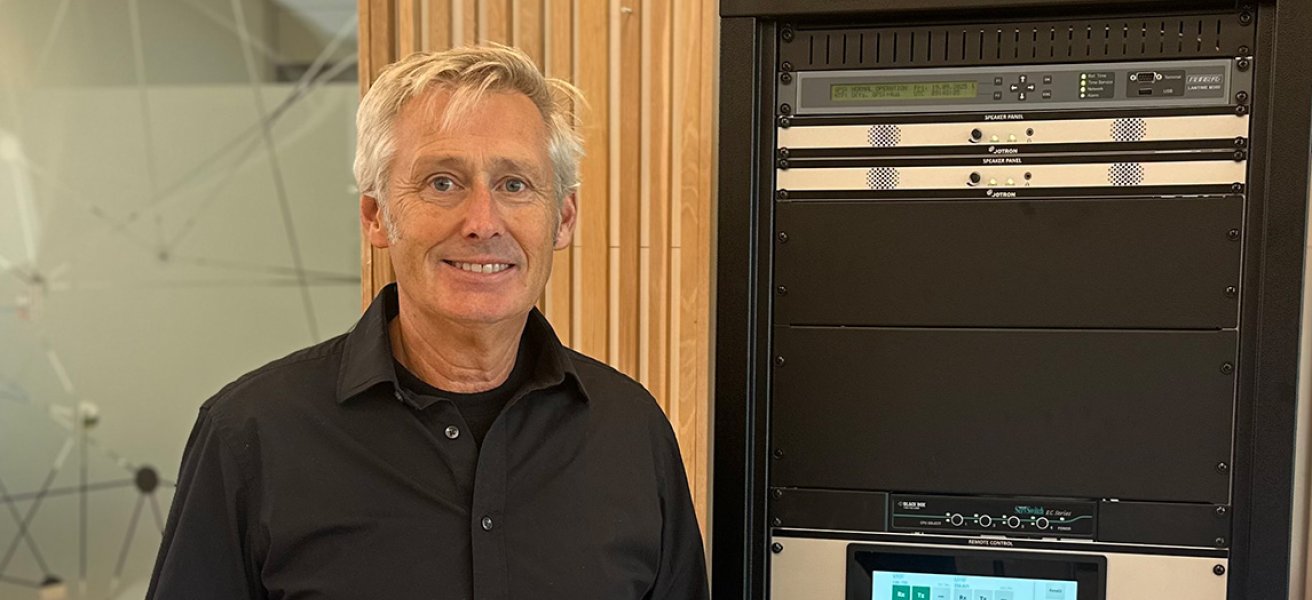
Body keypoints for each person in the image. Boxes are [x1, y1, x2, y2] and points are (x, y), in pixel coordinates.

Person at [147, 44, 708, 600]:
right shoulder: (251, 435)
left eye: (515, 184)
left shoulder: (632, 432)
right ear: (376, 215)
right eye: (443, 182)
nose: (482, 222)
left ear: (562, 219)